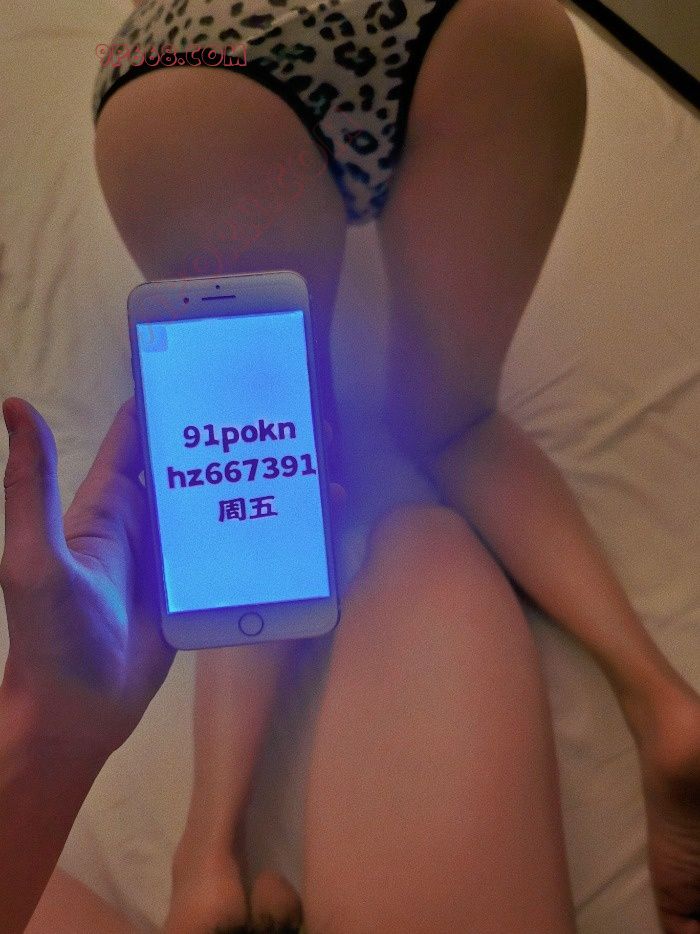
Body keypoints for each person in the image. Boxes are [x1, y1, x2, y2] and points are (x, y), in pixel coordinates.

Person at [87, 0, 700, 931]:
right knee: (455, 420)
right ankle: (661, 700)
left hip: (206, 53)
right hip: (477, 24)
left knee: (265, 488)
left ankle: (208, 850)